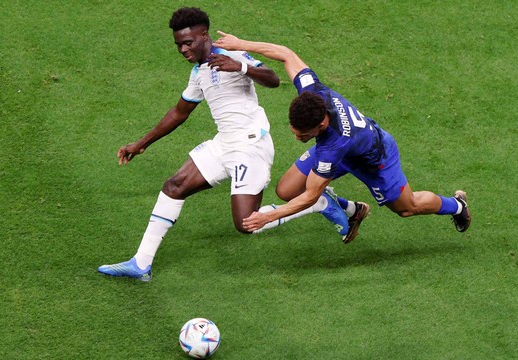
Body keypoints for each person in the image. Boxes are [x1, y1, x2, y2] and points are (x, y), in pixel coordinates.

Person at [97, 8, 353, 282]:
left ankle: (318, 203)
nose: (183, 49)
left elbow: (273, 79)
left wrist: (241, 67)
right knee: (174, 186)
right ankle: (141, 263)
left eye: (188, 42)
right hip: (224, 143)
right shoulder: (199, 71)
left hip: (250, 146)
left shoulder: (230, 54)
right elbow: (180, 112)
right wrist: (141, 143)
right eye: (178, 45)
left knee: (246, 224)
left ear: (204, 35)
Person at [213, 31, 471, 236]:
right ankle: (352, 209)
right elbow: (286, 55)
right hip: (346, 148)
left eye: (302, 135)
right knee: (287, 189)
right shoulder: (312, 91)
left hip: (376, 160)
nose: (296, 137)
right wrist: (240, 43)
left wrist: (269, 216)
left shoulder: (332, 146)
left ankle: (457, 205)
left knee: (407, 208)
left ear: (320, 126)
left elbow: (312, 195)